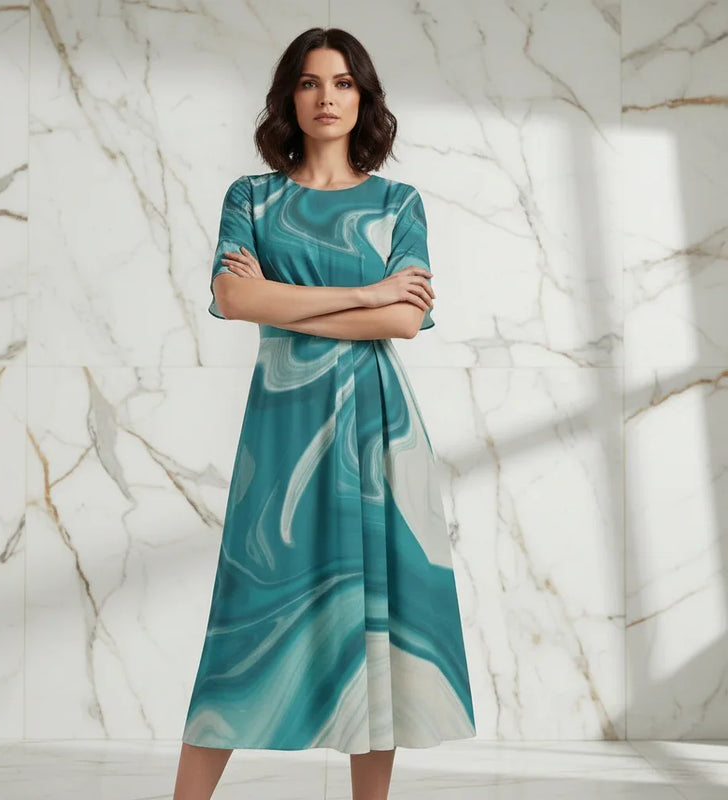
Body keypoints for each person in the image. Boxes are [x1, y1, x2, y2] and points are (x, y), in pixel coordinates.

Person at [172, 26, 476, 800]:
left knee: (376, 626)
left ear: (364, 98)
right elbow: (233, 297)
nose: (327, 98)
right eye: (310, 83)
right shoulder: (251, 197)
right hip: (281, 428)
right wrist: (367, 292)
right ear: (289, 97)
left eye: (343, 83)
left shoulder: (398, 202)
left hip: (378, 431)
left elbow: (404, 321)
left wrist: (287, 299)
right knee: (246, 617)